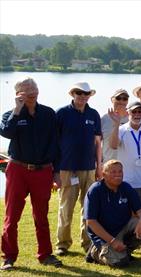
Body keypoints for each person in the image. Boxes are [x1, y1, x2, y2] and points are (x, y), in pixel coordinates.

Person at [0, 77, 63, 270]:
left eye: (33, 87)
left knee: (41, 216)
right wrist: (18, 110)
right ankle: (9, 257)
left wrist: (57, 172)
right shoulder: (10, 115)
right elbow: (6, 133)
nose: (31, 91)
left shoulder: (48, 113)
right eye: (26, 89)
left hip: (43, 171)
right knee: (12, 216)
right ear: (18, 93)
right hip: (18, 169)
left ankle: (45, 255)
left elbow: (56, 144)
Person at [53, 82, 103, 256]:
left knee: (88, 208)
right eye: (79, 93)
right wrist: (56, 171)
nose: (82, 96)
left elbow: (98, 143)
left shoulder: (93, 114)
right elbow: (54, 144)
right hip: (67, 169)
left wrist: (99, 166)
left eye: (86, 93)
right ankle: (62, 244)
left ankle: (87, 242)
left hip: (89, 169)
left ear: (89, 95)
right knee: (66, 208)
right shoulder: (61, 113)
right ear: (73, 94)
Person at [84, 160, 141, 267]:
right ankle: (95, 252)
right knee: (120, 263)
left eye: (120, 172)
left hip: (122, 230)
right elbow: (91, 222)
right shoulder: (95, 190)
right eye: (113, 172)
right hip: (104, 236)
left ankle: (124, 251)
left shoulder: (126, 187)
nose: (118, 174)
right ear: (104, 174)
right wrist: (112, 241)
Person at [109, 102, 141, 245]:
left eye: (140, 112)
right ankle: (128, 240)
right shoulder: (121, 129)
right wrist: (115, 124)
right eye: (134, 112)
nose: (137, 115)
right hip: (126, 181)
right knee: (128, 213)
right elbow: (113, 145)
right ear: (128, 113)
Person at [102, 89, 130, 162]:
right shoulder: (103, 119)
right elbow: (97, 143)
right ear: (112, 100)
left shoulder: (132, 118)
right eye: (118, 98)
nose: (121, 101)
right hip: (108, 163)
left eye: (124, 99)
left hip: (128, 164)